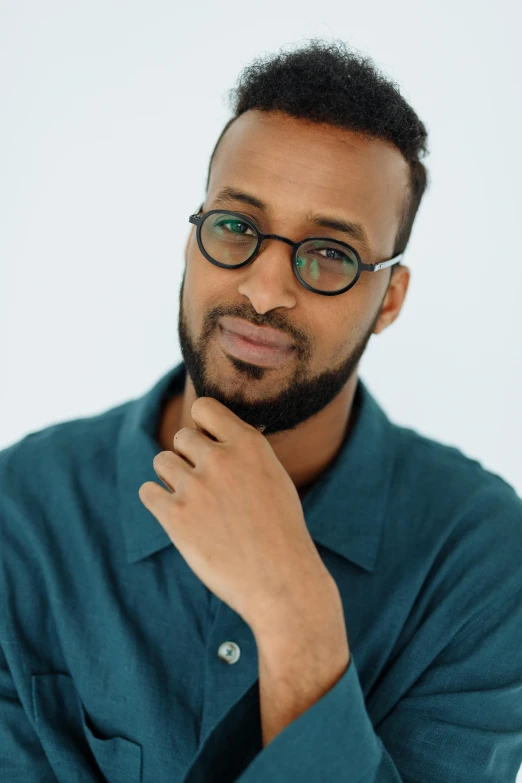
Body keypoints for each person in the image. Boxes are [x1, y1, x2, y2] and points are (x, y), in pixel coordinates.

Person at [1, 38, 521, 783]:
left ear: (390, 300)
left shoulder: (483, 558)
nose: (266, 288)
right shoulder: (19, 511)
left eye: (330, 254)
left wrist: (297, 617)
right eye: (236, 227)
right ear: (192, 241)